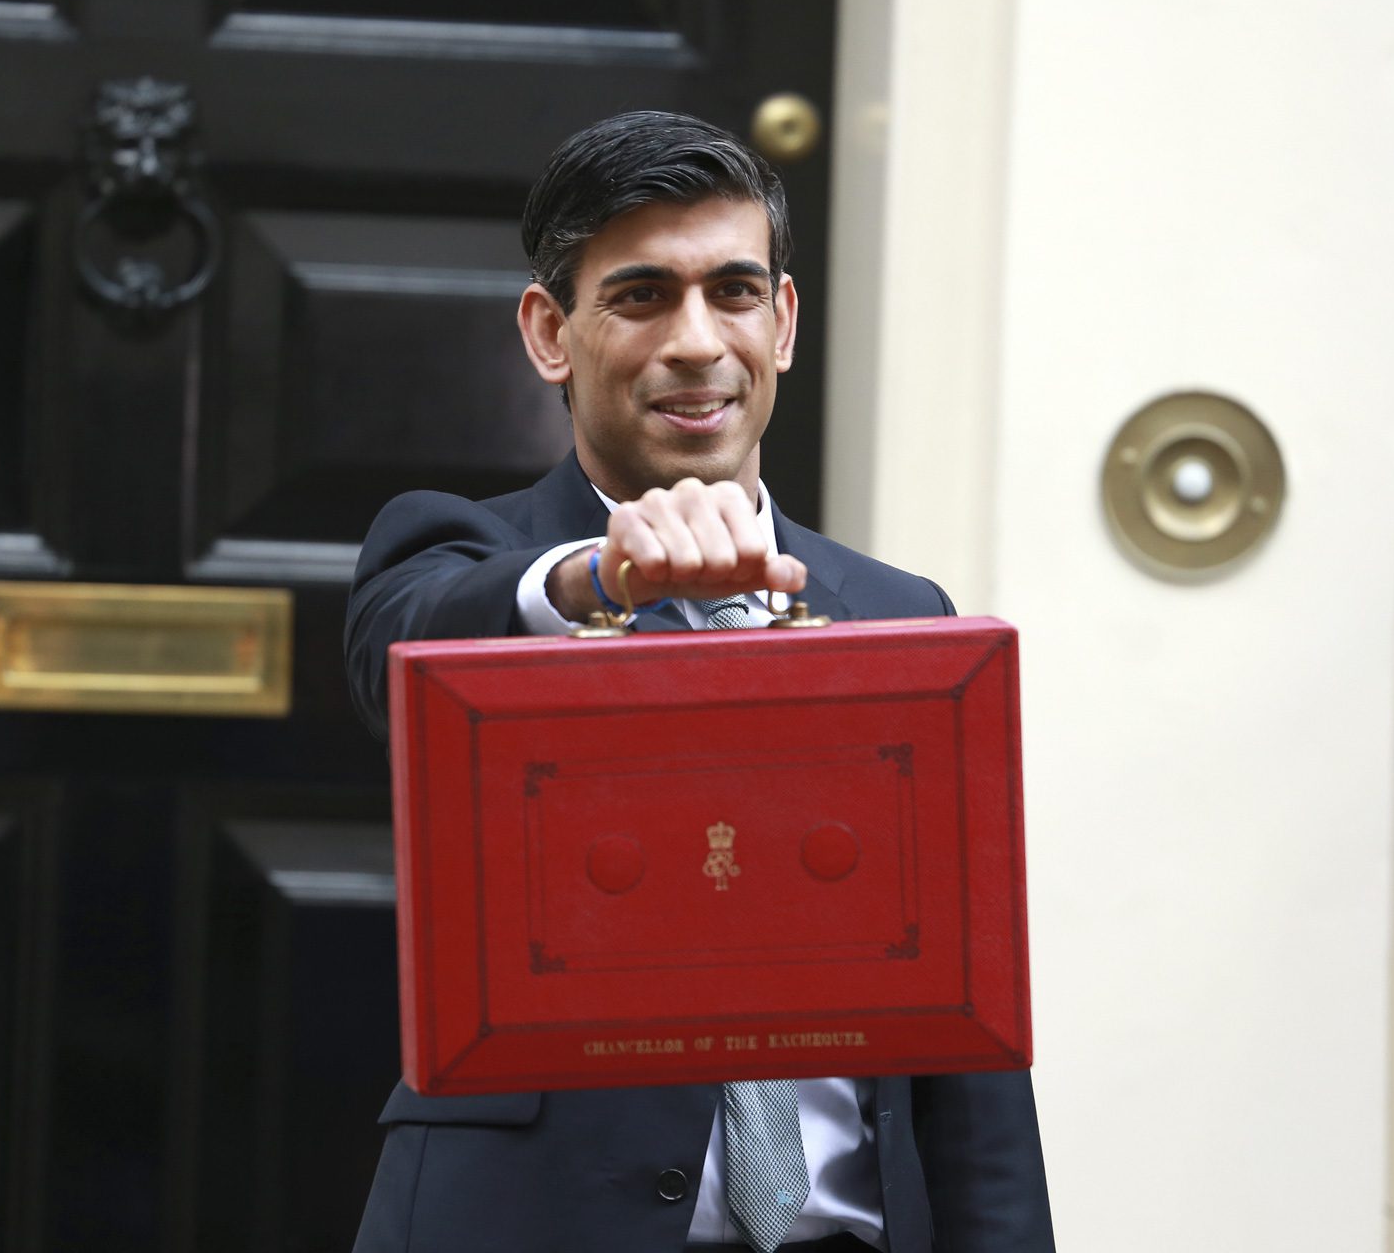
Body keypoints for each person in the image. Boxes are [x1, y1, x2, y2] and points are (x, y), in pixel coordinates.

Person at [345, 111, 1054, 1253]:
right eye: (639, 296)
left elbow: (968, 1050)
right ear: (550, 332)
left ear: (781, 321)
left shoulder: (902, 615)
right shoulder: (461, 560)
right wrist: (596, 578)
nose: (695, 341)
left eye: (731, 291)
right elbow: (411, 652)